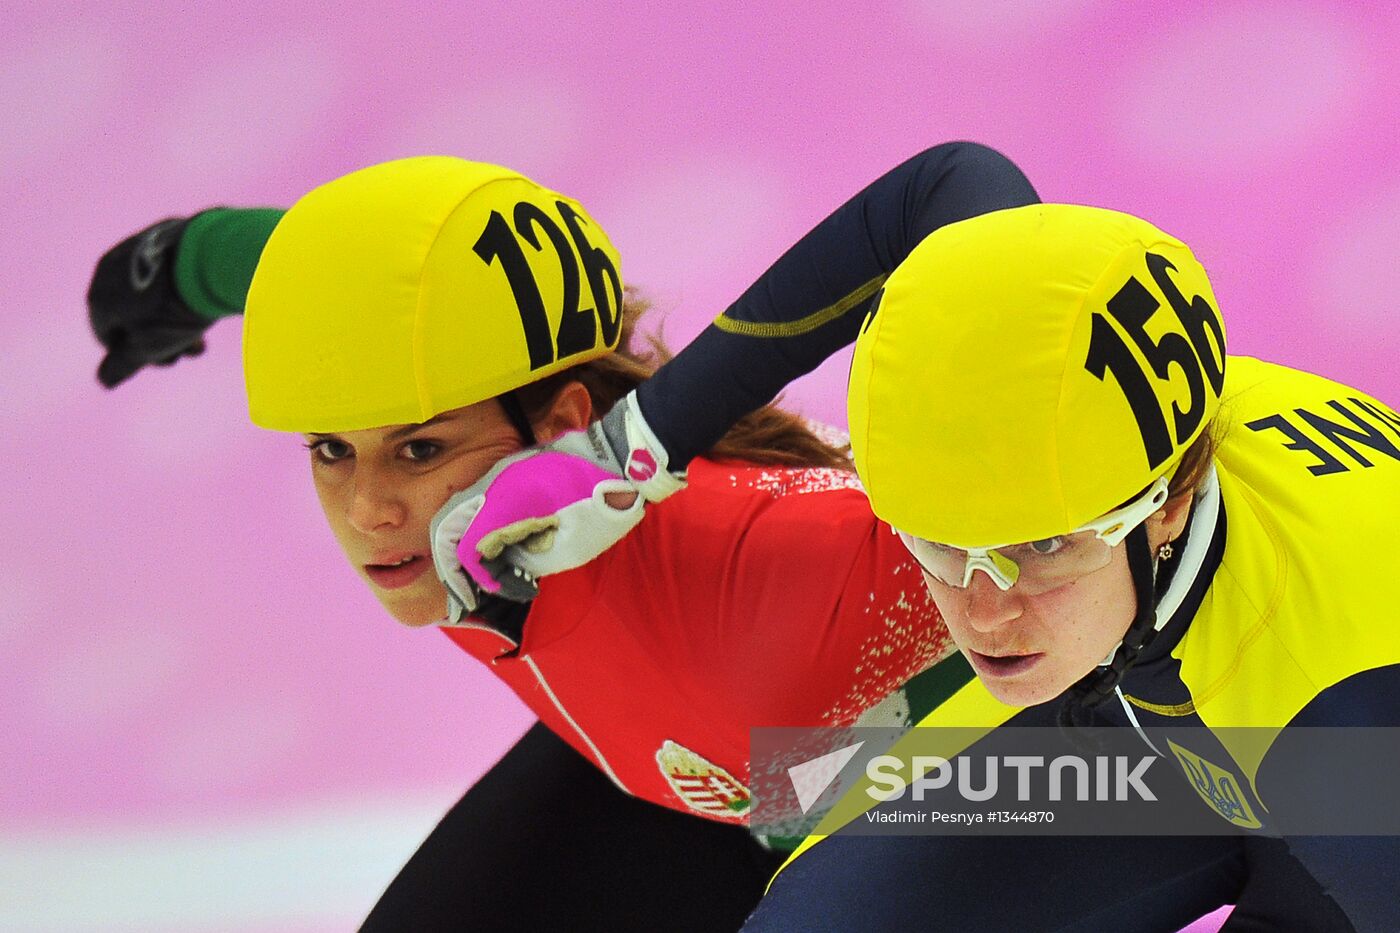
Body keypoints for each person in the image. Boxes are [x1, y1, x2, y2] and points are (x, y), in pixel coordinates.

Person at [87, 146, 1034, 930]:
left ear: (562, 429)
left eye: (418, 450)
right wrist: (184, 262)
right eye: (333, 450)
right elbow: (347, 272)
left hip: (1040, 785)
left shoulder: (760, 561)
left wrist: (650, 435)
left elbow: (963, 187)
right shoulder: (472, 504)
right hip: (706, 778)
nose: (368, 508)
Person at [453, 170, 1400, 929]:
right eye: (940, 545)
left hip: (1348, 779)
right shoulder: (1051, 377)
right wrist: (631, 449)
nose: (985, 613)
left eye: (1043, 545)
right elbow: (952, 183)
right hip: (1145, 731)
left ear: (1169, 502)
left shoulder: (1341, 709)